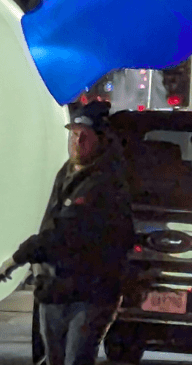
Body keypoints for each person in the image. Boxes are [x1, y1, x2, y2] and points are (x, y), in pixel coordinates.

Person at [10, 101, 134, 365]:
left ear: (101, 139)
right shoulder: (66, 173)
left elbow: (68, 231)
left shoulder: (104, 183)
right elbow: (50, 222)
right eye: (74, 135)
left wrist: (20, 256)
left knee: (77, 358)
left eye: (85, 136)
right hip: (55, 289)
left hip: (91, 293)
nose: (77, 142)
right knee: (53, 358)